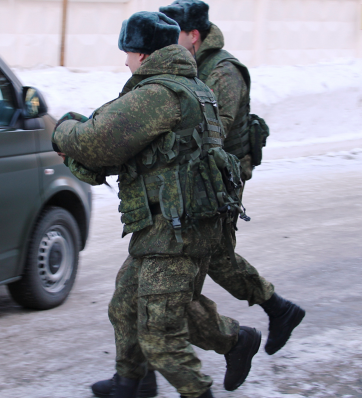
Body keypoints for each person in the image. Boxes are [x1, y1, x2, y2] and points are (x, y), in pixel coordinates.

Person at [89, 2, 306, 396]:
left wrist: (150, 133)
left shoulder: (223, 72)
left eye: (178, 32)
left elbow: (210, 134)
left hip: (209, 188)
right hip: (186, 190)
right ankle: (138, 375)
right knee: (163, 290)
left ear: (193, 35)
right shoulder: (187, 70)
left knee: (175, 292)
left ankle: (248, 329)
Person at [53, 11, 263, 398]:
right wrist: (79, 154)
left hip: (175, 232)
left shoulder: (158, 94)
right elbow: (131, 152)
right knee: (125, 303)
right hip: (172, 227)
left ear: (146, 54)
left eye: (129, 52)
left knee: (161, 337)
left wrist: (61, 131)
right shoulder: (189, 86)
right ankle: (129, 384)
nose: (126, 61)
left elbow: (98, 140)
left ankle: (203, 382)